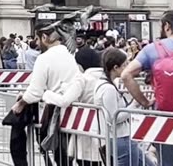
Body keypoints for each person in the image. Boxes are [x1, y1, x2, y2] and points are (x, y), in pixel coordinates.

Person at [122, 10, 173, 166]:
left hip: (161, 114)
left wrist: (145, 102)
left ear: (167, 26)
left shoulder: (151, 49)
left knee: (166, 161)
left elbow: (126, 75)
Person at [9, 26, 80, 166]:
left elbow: (35, 91)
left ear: (45, 38)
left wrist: (21, 103)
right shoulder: (70, 54)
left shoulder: (44, 58)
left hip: (53, 107)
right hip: (73, 107)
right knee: (63, 154)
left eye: (37, 38)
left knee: (43, 143)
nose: (36, 42)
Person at [97, 49, 145, 166]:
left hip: (119, 137)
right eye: (124, 65)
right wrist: (134, 105)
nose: (127, 67)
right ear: (115, 67)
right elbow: (114, 118)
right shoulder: (108, 89)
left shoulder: (102, 84)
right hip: (120, 137)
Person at [66, 47, 105, 166]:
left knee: (85, 158)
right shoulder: (107, 77)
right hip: (104, 125)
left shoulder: (83, 78)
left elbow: (68, 98)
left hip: (84, 124)